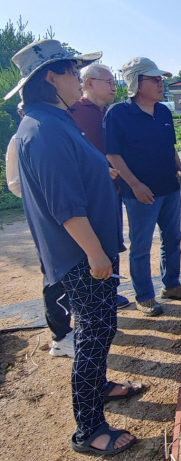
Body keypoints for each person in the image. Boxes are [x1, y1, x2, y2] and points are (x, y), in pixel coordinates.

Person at [6, 39, 139, 455]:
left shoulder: (55, 120)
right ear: (51, 77)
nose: (77, 78)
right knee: (93, 333)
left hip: (88, 251)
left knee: (101, 327)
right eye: (70, 71)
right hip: (81, 256)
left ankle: (98, 387)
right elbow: (64, 205)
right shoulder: (42, 130)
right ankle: (89, 429)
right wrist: (96, 254)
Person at [105, 57, 181, 316]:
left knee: (173, 238)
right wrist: (135, 185)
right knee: (141, 246)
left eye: (161, 79)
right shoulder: (118, 114)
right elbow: (113, 154)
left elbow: (169, 147)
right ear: (136, 83)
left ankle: (172, 284)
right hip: (140, 194)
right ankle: (144, 295)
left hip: (169, 188)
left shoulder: (164, 111)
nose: (160, 83)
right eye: (154, 79)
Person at [5, 101, 77, 357]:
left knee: (72, 273)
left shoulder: (56, 131)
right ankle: (61, 335)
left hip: (64, 215)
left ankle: (75, 327)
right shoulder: (21, 139)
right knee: (54, 275)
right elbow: (15, 182)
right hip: (48, 218)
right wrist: (42, 197)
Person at [70, 63, 130, 310]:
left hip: (111, 190)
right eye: (109, 82)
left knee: (110, 242)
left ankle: (108, 293)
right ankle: (93, 300)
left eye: (115, 83)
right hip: (88, 194)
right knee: (91, 246)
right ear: (89, 83)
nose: (114, 87)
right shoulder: (73, 112)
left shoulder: (110, 113)